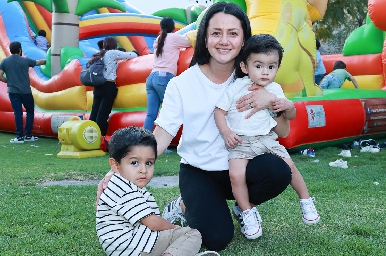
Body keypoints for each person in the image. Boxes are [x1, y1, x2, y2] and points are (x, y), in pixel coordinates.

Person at [98, 2, 298, 251]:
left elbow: (283, 132)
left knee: (279, 171)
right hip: (199, 172)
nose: (224, 41)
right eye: (216, 33)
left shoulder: (255, 78)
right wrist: (120, 167)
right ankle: (183, 205)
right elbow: (161, 134)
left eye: (233, 33)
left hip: (241, 164)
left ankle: (241, 205)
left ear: (244, 39)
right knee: (216, 238)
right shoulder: (182, 84)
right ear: (204, 37)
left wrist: (273, 103)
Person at [214, 34, 319, 239]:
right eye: (259, 66)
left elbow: (290, 114)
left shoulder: (275, 89)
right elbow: (219, 111)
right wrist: (227, 132)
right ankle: (247, 212)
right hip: (241, 142)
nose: (265, 72)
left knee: (289, 166)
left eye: (271, 67)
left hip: (267, 139)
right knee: (236, 175)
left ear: (278, 68)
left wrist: (287, 105)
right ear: (245, 67)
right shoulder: (236, 87)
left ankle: (306, 200)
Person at [96, 126, 219, 256]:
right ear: (115, 165)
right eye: (134, 163)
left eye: (149, 163)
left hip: (124, 247)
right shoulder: (124, 187)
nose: (143, 169)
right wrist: (175, 229)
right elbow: (153, 223)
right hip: (133, 246)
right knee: (191, 234)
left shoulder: (118, 183)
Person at [143, 17, 191, 131]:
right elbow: (190, 42)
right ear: (174, 28)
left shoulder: (159, 39)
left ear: (161, 27)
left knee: (151, 114)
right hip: (164, 77)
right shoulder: (173, 37)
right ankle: (163, 140)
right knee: (170, 111)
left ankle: (143, 142)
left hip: (152, 77)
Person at [89, 36, 138, 136]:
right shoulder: (112, 53)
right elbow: (131, 55)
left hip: (97, 87)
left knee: (94, 113)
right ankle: (101, 138)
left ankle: (89, 137)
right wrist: (136, 52)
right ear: (114, 45)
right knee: (103, 114)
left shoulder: (99, 54)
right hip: (108, 85)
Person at [0, 41, 46, 143]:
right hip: (26, 91)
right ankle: (28, 135)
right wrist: (49, 60)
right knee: (30, 112)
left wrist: (8, 81)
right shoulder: (25, 60)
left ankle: (19, 137)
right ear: (20, 49)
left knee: (18, 113)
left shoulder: (5, 61)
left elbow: (0, 75)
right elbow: (38, 62)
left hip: (13, 91)